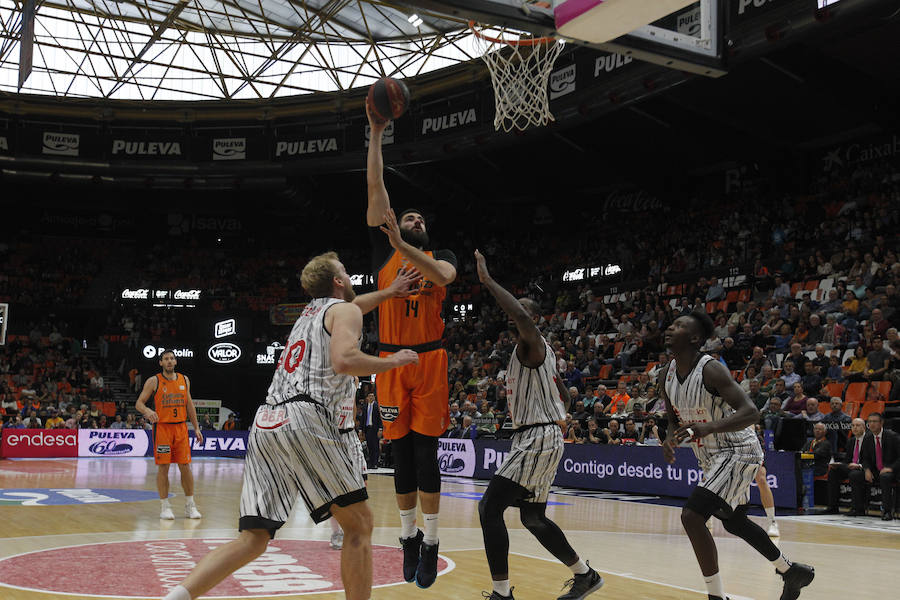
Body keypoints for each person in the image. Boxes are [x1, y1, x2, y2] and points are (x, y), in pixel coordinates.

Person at [160, 251, 419, 600]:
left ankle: (176, 597)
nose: (351, 277)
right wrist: (393, 362)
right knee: (359, 526)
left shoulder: (309, 313)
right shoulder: (346, 310)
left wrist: (389, 293)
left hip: (267, 421)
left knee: (253, 539)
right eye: (345, 271)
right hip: (305, 419)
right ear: (339, 282)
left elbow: (355, 307)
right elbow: (344, 360)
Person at [366, 101, 459, 588]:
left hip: (429, 359)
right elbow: (377, 189)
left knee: (427, 455)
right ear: (394, 226)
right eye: (407, 215)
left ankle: (434, 539)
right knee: (399, 456)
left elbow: (441, 274)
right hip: (388, 361)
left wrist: (406, 249)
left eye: (420, 216)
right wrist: (376, 133)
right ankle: (407, 536)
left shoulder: (439, 255)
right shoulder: (384, 249)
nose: (414, 216)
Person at [474, 250, 603, 600]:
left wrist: (487, 281)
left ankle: (502, 594)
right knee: (533, 518)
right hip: (537, 435)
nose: (512, 317)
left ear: (529, 319)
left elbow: (516, 311)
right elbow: (565, 394)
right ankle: (585, 575)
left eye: (519, 313)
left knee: (489, 508)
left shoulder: (532, 341)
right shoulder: (536, 353)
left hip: (538, 437)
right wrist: (554, 390)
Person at [659, 311, 814, 600]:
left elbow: (751, 412)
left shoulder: (711, 370)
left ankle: (716, 597)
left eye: (679, 325)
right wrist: (669, 439)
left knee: (692, 516)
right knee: (734, 521)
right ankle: (790, 571)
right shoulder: (666, 374)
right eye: (672, 323)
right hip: (710, 455)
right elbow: (672, 419)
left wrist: (709, 427)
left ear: (694, 338)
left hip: (738, 449)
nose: (671, 328)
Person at [136, 349, 204, 521]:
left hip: (181, 428)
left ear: (175, 362)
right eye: (166, 359)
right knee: (164, 467)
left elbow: (189, 405)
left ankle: (190, 505)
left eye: (172, 358)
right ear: (160, 363)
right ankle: (165, 506)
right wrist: (147, 411)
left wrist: (196, 427)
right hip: (163, 429)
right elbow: (139, 403)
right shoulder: (154, 381)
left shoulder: (184, 379)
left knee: (185, 466)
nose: (169, 361)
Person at [860, 413, 900, 520]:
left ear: (881, 423)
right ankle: (858, 508)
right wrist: (867, 470)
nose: (871, 424)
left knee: (885, 477)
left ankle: (887, 511)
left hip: (893, 470)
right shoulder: (867, 437)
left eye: (874, 421)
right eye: (870, 422)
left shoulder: (892, 436)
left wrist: (891, 468)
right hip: (876, 470)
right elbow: (865, 459)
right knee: (855, 474)